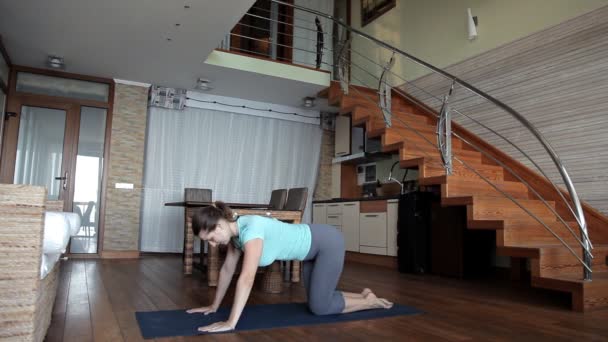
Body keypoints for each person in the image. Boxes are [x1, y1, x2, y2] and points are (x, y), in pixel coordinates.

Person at [186, 201, 393, 333]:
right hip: (310, 251)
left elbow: (247, 278)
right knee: (318, 301)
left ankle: (369, 302)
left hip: (327, 243)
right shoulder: (236, 235)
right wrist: (214, 306)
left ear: (220, 225)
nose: (212, 245)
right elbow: (227, 270)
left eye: (211, 238)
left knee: (320, 308)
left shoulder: (251, 231)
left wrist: (231, 322)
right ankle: (365, 295)